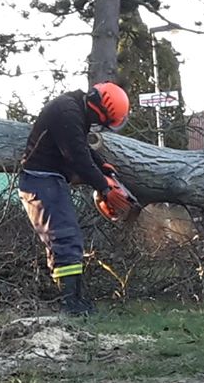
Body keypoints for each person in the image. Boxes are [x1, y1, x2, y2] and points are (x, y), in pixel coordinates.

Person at [17, 81, 136, 316]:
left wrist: (103, 166)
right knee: (64, 238)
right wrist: (105, 187)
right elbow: (76, 156)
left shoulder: (74, 109)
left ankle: (75, 299)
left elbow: (80, 146)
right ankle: (70, 303)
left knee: (67, 239)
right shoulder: (67, 112)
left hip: (50, 179)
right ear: (100, 111)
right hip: (40, 180)